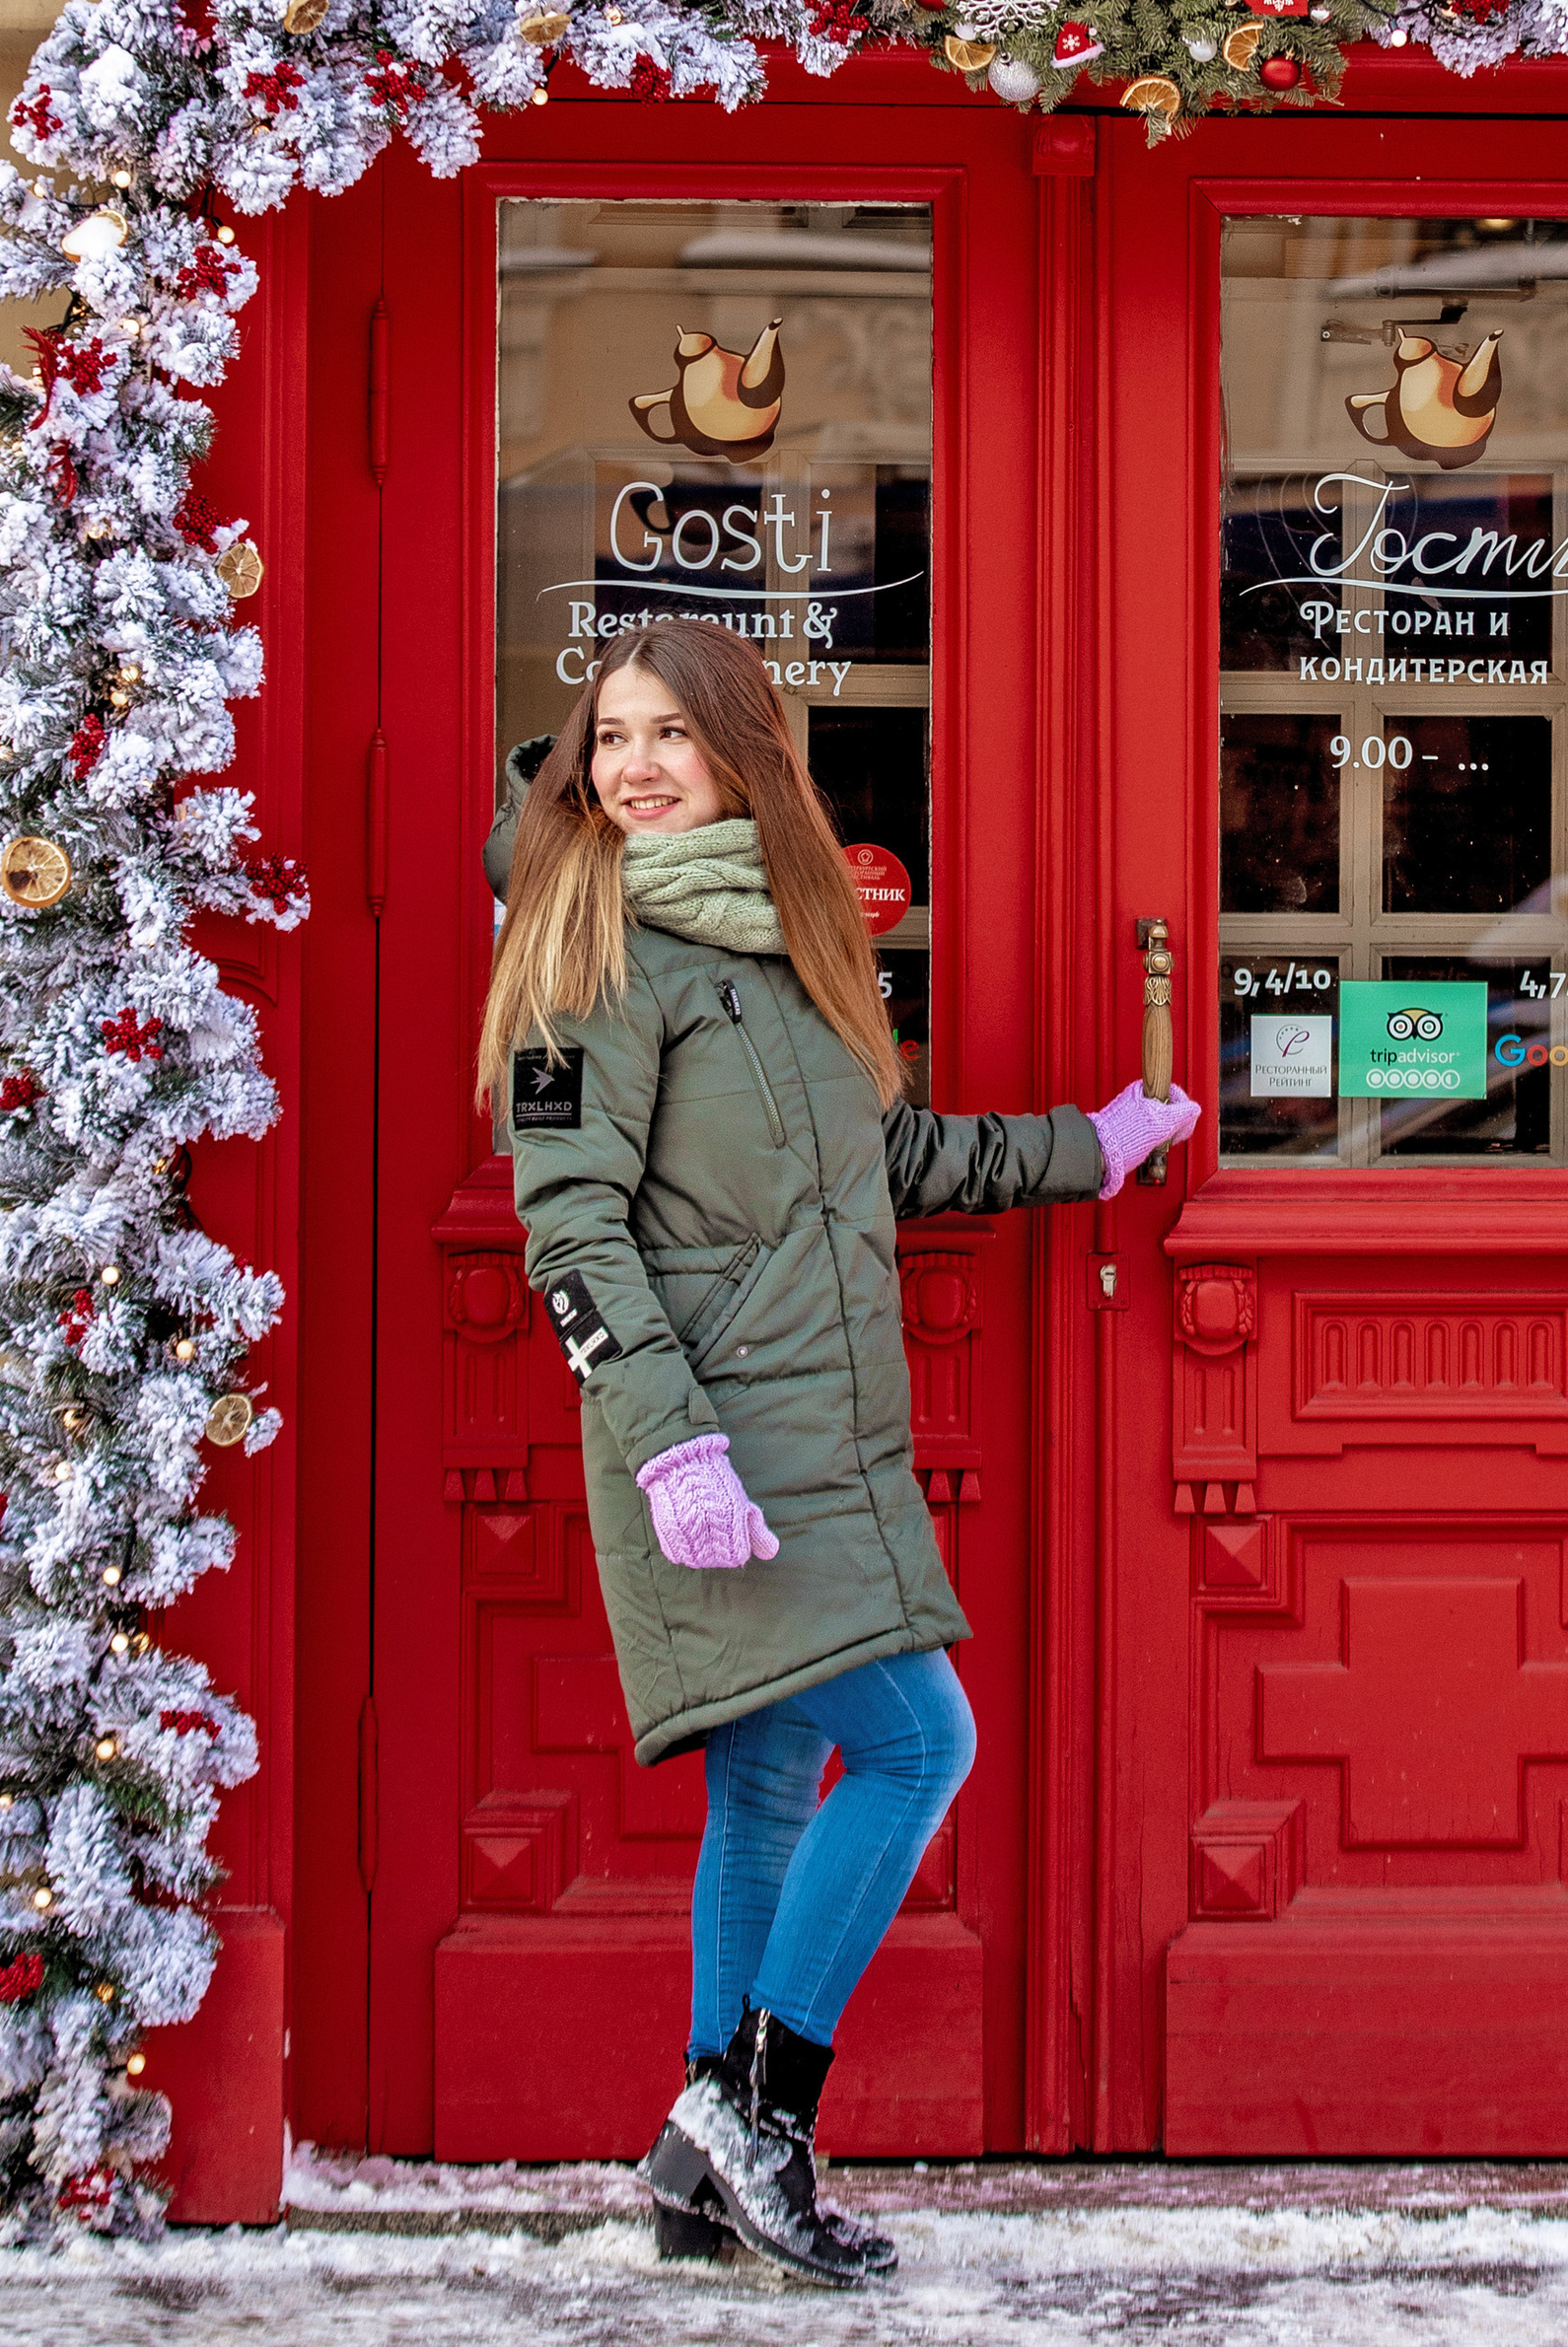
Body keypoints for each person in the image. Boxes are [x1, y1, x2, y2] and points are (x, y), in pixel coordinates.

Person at [478, 617, 1196, 2288]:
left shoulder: (788, 936)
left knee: (763, 1783)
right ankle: (761, 2111)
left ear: (743, 749)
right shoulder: (588, 949)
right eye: (611, 736)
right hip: (719, 1445)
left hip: (822, 1432)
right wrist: (672, 1451)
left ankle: (698, 2161)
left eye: (671, 732)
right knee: (920, 1743)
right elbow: (568, 1232)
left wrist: (1089, 1146)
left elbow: (893, 1156)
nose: (636, 766)